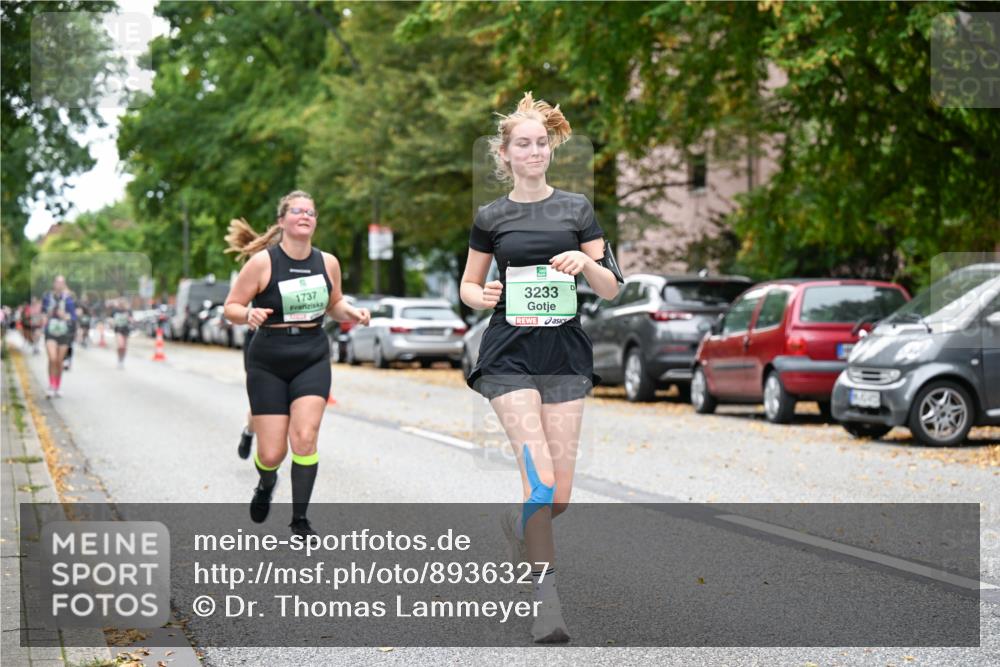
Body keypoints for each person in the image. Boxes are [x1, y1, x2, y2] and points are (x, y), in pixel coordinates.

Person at [460, 92, 621, 643]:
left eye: (540, 143)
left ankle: (517, 524)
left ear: (551, 148)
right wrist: (481, 297)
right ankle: (545, 602)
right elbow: (468, 284)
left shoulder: (577, 209)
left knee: (561, 496)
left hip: (564, 353)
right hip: (508, 353)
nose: (533, 151)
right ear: (503, 155)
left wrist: (586, 262)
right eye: (521, 144)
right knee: (541, 480)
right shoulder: (491, 216)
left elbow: (612, 287)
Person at [223, 192, 370, 537]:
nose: (305, 215)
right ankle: (265, 482)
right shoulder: (263, 263)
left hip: (311, 354)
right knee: (272, 453)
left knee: (305, 437)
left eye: (311, 212)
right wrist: (247, 313)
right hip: (269, 358)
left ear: (315, 221)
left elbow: (334, 304)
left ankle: (300, 519)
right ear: (282, 221)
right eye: (297, 211)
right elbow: (230, 306)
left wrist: (352, 312)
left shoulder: (328, 263)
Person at [41, 276, 78, 398]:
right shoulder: (47, 298)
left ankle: (57, 386)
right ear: (54, 284)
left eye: (61, 282)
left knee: (59, 361)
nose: (59, 284)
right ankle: (51, 385)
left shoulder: (69, 299)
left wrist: (65, 316)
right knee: (52, 358)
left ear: (64, 284)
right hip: (50, 331)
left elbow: (73, 317)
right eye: (57, 281)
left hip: (64, 332)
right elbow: (42, 314)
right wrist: (47, 315)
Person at [110, 299, 133, 369]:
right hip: (118, 330)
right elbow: (111, 319)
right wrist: (112, 322)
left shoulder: (128, 311)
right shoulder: (115, 311)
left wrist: (129, 319)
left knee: (124, 347)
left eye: (123, 303)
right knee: (120, 345)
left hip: (126, 330)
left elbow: (131, 320)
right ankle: (119, 359)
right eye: (121, 303)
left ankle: (122, 360)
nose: (122, 305)